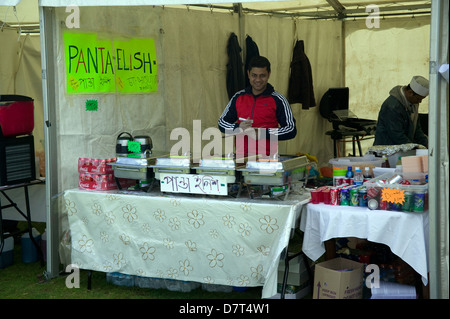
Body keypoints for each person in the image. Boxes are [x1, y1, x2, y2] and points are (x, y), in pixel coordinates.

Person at [218, 56, 297, 158]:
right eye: (254, 75)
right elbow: (221, 123)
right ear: (248, 74)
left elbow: (291, 130)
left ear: (269, 74)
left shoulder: (278, 99)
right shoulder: (238, 97)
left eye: (262, 75)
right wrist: (238, 128)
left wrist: (262, 133)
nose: (258, 80)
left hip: (267, 160)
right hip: (241, 159)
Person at [374, 76, 429, 148]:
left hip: (402, 148)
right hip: (387, 149)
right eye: (418, 98)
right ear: (410, 93)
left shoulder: (413, 104)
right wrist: (413, 147)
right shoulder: (392, 106)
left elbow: (416, 129)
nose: (420, 101)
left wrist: (426, 143)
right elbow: (396, 134)